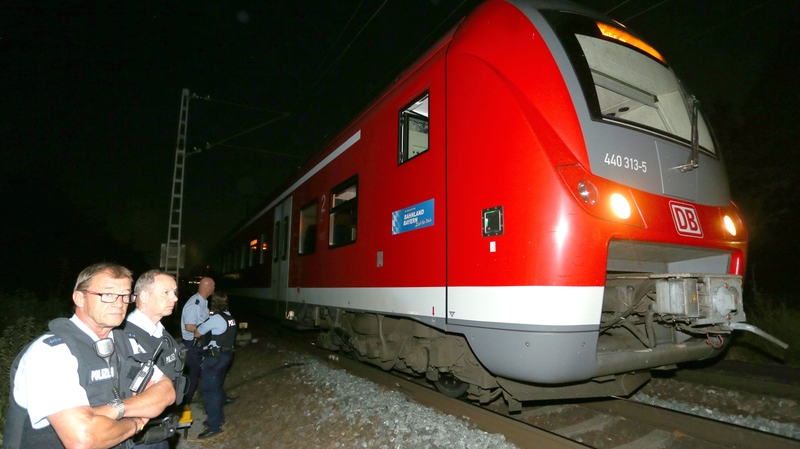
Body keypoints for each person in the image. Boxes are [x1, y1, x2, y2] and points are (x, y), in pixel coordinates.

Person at [4, 263, 176, 449]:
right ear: (79, 298)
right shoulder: (50, 353)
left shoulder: (127, 342)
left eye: (124, 295)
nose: (119, 303)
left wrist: (116, 409)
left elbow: (166, 391)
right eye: (107, 294)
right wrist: (136, 421)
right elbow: (83, 439)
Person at [123, 270, 188, 448]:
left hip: (162, 428)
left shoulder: (161, 332)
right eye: (166, 292)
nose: (174, 298)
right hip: (138, 435)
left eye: (174, 292)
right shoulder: (125, 336)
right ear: (144, 296)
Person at [194, 292, 237, 439]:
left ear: (213, 303)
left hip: (214, 358)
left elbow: (197, 333)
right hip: (226, 356)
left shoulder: (215, 319)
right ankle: (216, 416)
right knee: (216, 386)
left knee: (209, 391)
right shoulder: (229, 317)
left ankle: (214, 426)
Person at [179, 276, 214, 406]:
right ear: (208, 287)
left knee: (202, 375)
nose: (214, 288)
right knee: (192, 378)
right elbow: (189, 326)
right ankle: (184, 405)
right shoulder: (195, 304)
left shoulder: (203, 302)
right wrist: (207, 332)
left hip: (199, 345)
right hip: (192, 346)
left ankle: (212, 400)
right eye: (213, 286)